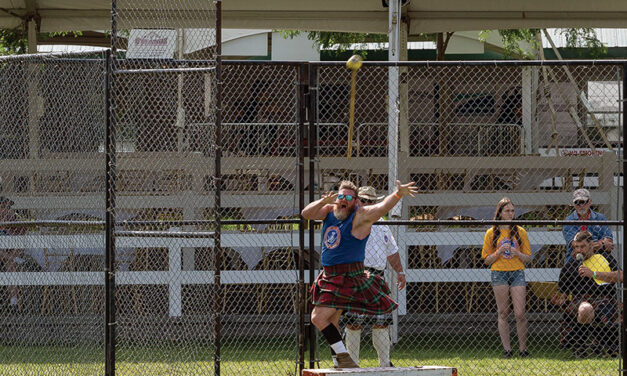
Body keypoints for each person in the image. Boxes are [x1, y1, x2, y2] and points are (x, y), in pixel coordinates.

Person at [302, 179, 417, 369]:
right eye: (340, 196)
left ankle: (346, 358)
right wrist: (323, 202)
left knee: (317, 317)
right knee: (332, 321)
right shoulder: (330, 211)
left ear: (355, 201)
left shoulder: (360, 216)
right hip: (329, 275)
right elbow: (306, 213)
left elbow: (381, 208)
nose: (342, 200)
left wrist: (398, 194)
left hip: (348, 275)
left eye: (348, 197)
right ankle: (340, 363)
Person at [341, 186, 406, 367]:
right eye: (364, 200)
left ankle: (384, 363)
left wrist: (400, 271)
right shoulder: (351, 220)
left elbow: (392, 251)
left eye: (371, 201)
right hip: (356, 273)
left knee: (381, 321)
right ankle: (352, 363)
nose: (367, 204)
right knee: (354, 321)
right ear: (357, 201)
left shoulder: (382, 224)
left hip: (377, 275)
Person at [551, 230, 621, 358]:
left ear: (591, 245)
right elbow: (563, 293)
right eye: (576, 247)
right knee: (586, 309)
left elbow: (620, 276)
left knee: (609, 309)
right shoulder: (570, 265)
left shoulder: (605, 257)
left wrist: (593, 274)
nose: (579, 250)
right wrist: (559, 299)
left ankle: (609, 345)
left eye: (582, 247)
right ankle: (580, 347)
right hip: (581, 299)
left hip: (606, 298)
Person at [482, 197, 532, 358]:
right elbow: (486, 260)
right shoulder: (491, 232)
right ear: (500, 213)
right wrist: (499, 252)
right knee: (503, 312)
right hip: (499, 273)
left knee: (520, 313)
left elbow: (528, 258)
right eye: (507, 211)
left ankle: (523, 349)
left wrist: (517, 253)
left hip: (517, 271)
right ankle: (507, 349)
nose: (511, 213)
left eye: (512, 210)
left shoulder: (519, 231)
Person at [562, 188, 614, 263]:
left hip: (599, 260)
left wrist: (584, 246)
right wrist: (601, 244)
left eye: (583, 202)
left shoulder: (600, 218)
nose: (580, 205)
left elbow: (609, 241)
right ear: (573, 204)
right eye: (577, 202)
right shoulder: (568, 221)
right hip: (575, 260)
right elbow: (575, 244)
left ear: (590, 202)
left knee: (617, 271)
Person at [0, 196, 25, 311]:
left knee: (11, 266)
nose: (5, 210)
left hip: (8, 253)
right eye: (3, 207)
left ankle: (13, 300)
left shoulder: (13, 219)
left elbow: (21, 237)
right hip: (3, 253)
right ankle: (11, 258)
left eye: (7, 207)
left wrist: (14, 253)